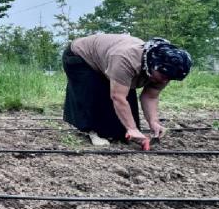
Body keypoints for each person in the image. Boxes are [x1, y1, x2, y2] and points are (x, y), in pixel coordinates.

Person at [63, 34, 192, 150]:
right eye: (163, 76)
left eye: (170, 78)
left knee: (121, 130)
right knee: (96, 93)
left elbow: (150, 97)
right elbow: (118, 97)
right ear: (153, 64)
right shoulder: (126, 60)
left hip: (109, 60)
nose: (165, 81)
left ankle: (115, 131)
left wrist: (153, 122)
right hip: (81, 57)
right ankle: (92, 131)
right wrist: (132, 128)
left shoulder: (165, 71)